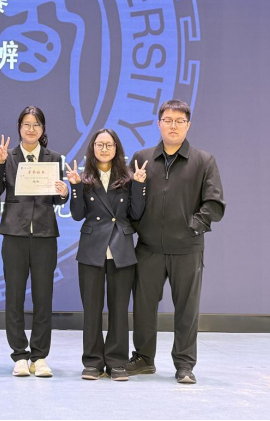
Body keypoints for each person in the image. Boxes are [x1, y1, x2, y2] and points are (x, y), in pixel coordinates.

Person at [126, 100, 225, 385]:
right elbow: (130, 201)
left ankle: (184, 365)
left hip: (187, 249)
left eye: (179, 121)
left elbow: (214, 203)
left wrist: (192, 227)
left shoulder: (203, 161)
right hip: (148, 249)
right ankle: (144, 359)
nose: (173, 125)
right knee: (144, 307)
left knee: (187, 309)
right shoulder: (142, 158)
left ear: (188, 125)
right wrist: (139, 227)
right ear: (159, 124)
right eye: (168, 120)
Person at [0, 106, 69, 378]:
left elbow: (57, 198)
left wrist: (64, 193)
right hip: (15, 234)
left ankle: (39, 356)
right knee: (14, 296)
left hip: (45, 235)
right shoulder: (8, 157)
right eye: (26, 124)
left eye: (36, 124)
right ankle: (20, 355)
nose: (31, 129)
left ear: (42, 129)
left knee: (43, 297)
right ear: (19, 127)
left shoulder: (54, 158)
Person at [66, 129, 147, 382]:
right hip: (92, 249)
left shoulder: (128, 178)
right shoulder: (84, 179)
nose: (104, 149)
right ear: (92, 148)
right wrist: (75, 187)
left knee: (119, 310)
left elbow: (136, 213)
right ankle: (92, 362)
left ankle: (116, 362)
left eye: (109, 145)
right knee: (91, 310)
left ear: (116, 148)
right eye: (99, 144)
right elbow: (77, 215)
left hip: (121, 248)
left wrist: (140, 185)